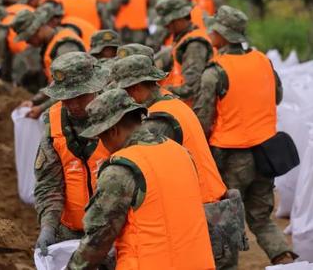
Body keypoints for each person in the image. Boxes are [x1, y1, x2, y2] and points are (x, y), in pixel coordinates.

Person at [112, 55, 247, 269]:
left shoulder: (159, 120)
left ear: (136, 88)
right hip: (214, 208)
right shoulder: (172, 103)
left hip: (204, 214)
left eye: (123, 93)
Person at [67, 88, 215, 270]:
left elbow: (98, 240)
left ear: (112, 131)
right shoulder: (180, 152)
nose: (102, 144)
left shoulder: (121, 170)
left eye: (100, 137)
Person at [193, 6, 296, 265]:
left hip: (229, 158)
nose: (210, 32)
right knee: (261, 218)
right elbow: (277, 97)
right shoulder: (263, 61)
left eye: (214, 28)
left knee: (225, 220)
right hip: (265, 154)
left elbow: (202, 121)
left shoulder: (214, 71)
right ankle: (285, 259)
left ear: (222, 35)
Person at [34, 52, 110, 255]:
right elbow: (49, 184)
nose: (74, 105)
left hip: (115, 235)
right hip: (71, 236)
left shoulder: (117, 117)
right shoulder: (54, 123)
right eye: (67, 99)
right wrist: (48, 227)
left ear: (94, 88)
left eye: (80, 97)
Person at [12, 8, 85, 118]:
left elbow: (70, 87)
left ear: (37, 30)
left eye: (28, 38)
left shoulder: (64, 47)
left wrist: (42, 108)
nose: (27, 42)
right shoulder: (51, 44)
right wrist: (34, 101)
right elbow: (55, 83)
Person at [155, 0, 213, 104]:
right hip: (182, 104)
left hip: (190, 108)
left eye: (169, 22)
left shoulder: (194, 45)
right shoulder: (182, 39)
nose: (167, 27)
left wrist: (162, 92)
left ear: (178, 19)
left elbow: (191, 88)